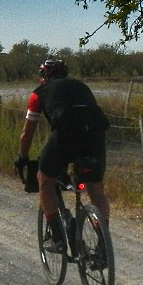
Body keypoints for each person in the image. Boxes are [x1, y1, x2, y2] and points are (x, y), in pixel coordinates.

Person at [16, 57, 111, 249]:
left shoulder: (38, 94)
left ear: (43, 75)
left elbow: (27, 133)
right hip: (95, 136)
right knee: (95, 189)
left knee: (44, 179)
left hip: (66, 136)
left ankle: (58, 238)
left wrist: (22, 157)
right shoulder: (81, 86)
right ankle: (103, 243)